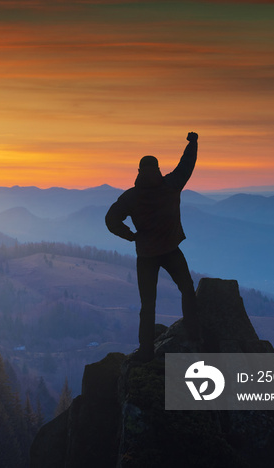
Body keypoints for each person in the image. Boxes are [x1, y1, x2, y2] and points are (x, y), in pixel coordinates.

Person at [105, 132, 201, 362]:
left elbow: (111, 219)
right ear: (157, 169)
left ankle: (146, 351)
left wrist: (131, 236)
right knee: (187, 289)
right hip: (170, 250)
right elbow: (186, 165)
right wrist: (192, 143)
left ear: (139, 172)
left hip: (146, 254)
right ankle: (194, 332)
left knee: (148, 304)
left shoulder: (132, 197)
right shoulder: (170, 185)